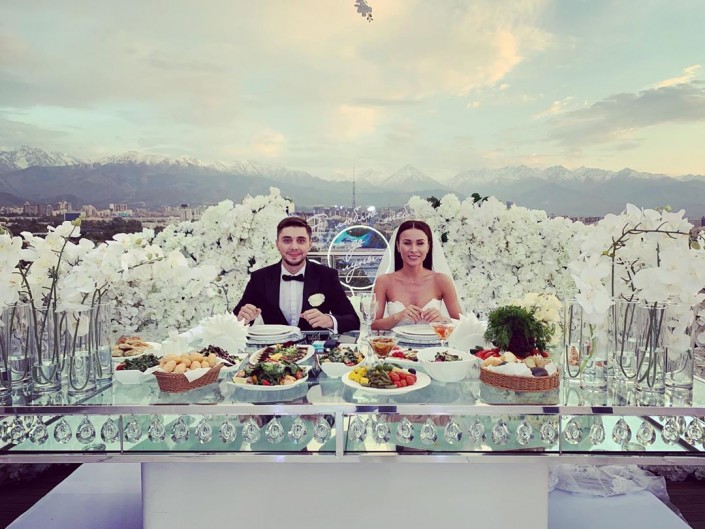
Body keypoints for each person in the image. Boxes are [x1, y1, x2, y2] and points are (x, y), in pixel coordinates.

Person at [233, 216, 360, 334]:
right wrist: (243, 318)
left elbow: (353, 321)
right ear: (277, 244)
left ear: (309, 244)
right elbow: (235, 321)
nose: (294, 247)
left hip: (316, 348)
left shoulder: (327, 276)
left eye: (301, 240)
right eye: (287, 240)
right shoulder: (260, 278)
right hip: (272, 349)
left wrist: (329, 320)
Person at [371, 219, 462, 330]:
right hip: (396, 341)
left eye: (420, 243)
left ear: (428, 246)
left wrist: (442, 319)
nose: (413, 249)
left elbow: (462, 323)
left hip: (435, 341)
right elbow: (373, 325)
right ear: (398, 246)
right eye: (407, 243)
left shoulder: (441, 280)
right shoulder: (384, 281)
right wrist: (397, 317)